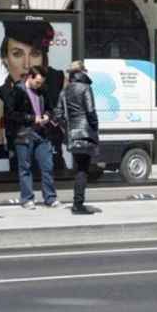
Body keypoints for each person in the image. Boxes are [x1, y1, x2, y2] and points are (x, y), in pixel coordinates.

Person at [0, 20, 67, 173]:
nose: (26, 64)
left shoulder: (58, 80)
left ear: (43, 58)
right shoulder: (2, 95)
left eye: (35, 54)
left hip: (53, 163)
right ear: (5, 59)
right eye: (17, 54)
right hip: (20, 161)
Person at [7, 65, 63, 209]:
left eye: (41, 83)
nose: (39, 85)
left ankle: (50, 198)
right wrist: (33, 118)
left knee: (47, 166)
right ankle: (27, 199)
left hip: (42, 133)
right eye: (37, 82)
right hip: (24, 134)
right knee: (25, 167)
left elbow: (51, 109)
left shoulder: (42, 90)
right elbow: (11, 114)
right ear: (29, 77)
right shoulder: (17, 91)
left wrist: (47, 116)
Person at [52, 61, 99, 215]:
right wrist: (94, 127)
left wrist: (68, 127)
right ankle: (78, 204)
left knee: (79, 168)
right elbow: (91, 111)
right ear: (82, 72)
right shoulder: (86, 88)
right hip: (85, 134)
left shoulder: (64, 91)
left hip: (72, 135)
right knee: (82, 170)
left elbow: (57, 114)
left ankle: (77, 203)